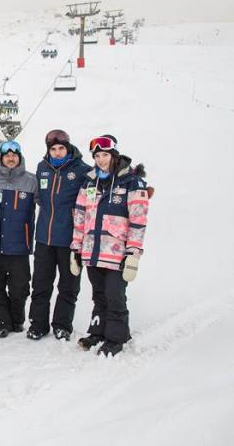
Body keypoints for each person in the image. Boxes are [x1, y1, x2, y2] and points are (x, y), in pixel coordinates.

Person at [71, 135, 150, 356]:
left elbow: (138, 219)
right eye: (96, 156)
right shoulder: (89, 182)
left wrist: (133, 252)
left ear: (114, 155)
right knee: (99, 294)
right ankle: (99, 331)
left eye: (104, 155)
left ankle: (116, 338)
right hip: (93, 251)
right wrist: (76, 248)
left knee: (115, 294)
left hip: (118, 254)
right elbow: (79, 216)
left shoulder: (132, 182)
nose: (100, 160)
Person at [27, 129, 92, 341]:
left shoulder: (82, 170)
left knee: (68, 285)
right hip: (44, 237)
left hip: (70, 240)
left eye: (60, 148)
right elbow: (38, 196)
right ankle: (38, 325)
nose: (57, 152)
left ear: (68, 148)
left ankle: (62, 325)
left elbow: (101, 186)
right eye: (53, 149)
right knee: (40, 285)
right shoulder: (42, 168)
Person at [0, 141, 37, 338]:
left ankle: (16, 320)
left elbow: (49, 202)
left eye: (15, 155)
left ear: (20, 158)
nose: (11, 158)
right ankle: (1, 323)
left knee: (20, 288)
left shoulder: (31, 181)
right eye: (7, 155)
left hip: (19, 247)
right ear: (1, 158)